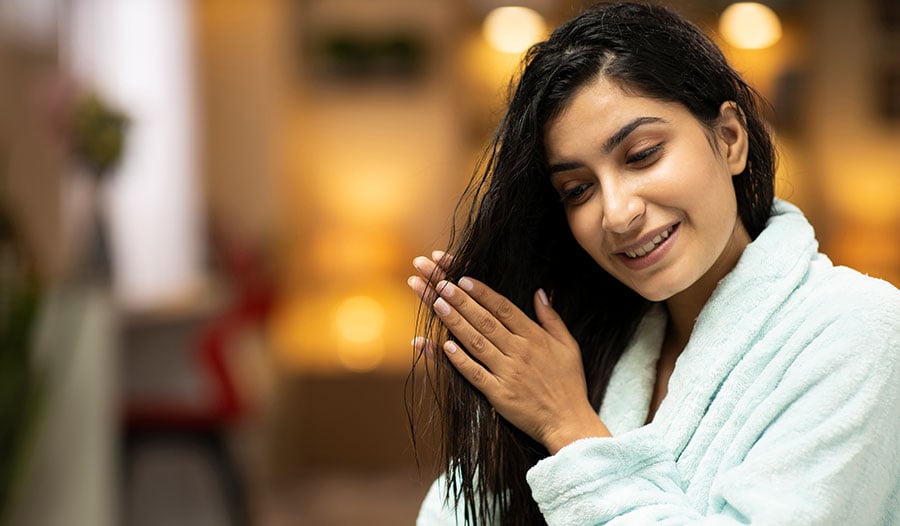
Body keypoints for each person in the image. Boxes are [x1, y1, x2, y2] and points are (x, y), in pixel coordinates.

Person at [406, 2, 900, 525]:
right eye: (578, 189)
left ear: (730, 139)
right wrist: (501, 425)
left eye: (642, 155)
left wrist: (567, 425)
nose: (617, 214)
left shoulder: (863, 330)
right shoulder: (586, 338)